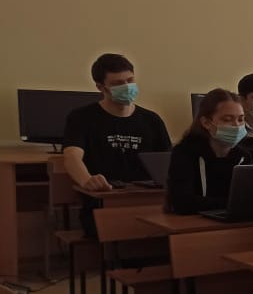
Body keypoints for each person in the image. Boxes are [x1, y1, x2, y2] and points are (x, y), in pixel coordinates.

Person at [62, 53, 172, 236]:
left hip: (148, 202)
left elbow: (169, 162)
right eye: (118, 83)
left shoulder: (152, 120)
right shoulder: (82, 118)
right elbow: (71, 156)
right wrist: (87, 180)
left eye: (130, 80)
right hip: (104, 204)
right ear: (101, 87)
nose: (127, 87)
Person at [166, 88, 253, 214]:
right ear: (206, 123)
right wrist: (234, 203)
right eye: (227, 119)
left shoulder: (249, 149)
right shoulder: (185, 152)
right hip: (198, 222)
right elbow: (182, 203)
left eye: (241, 119)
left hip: (242, 219)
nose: (236, 125)